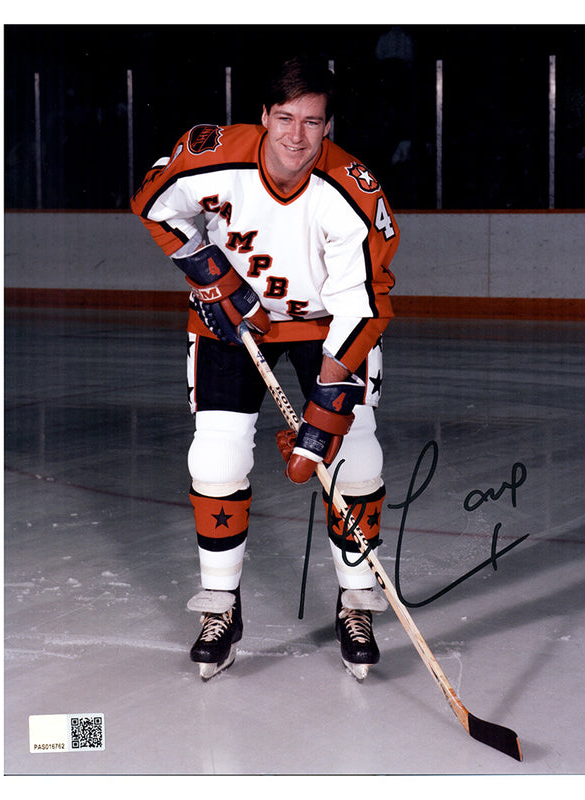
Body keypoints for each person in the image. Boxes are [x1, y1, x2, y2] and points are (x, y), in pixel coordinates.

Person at [131, 55, 400, 680]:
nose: (297, 137)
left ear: (328, 127)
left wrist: (323, 417)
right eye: (285, 119)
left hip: (325, 326)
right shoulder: (210, 154)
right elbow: (152, 201)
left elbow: (361, 308)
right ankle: (220, 605)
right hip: (233, 320)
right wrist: (208, 273)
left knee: (355, 456)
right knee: (217, 456)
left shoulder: (353, 195)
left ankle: (355, 599)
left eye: (312, 122)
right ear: (264, 118)